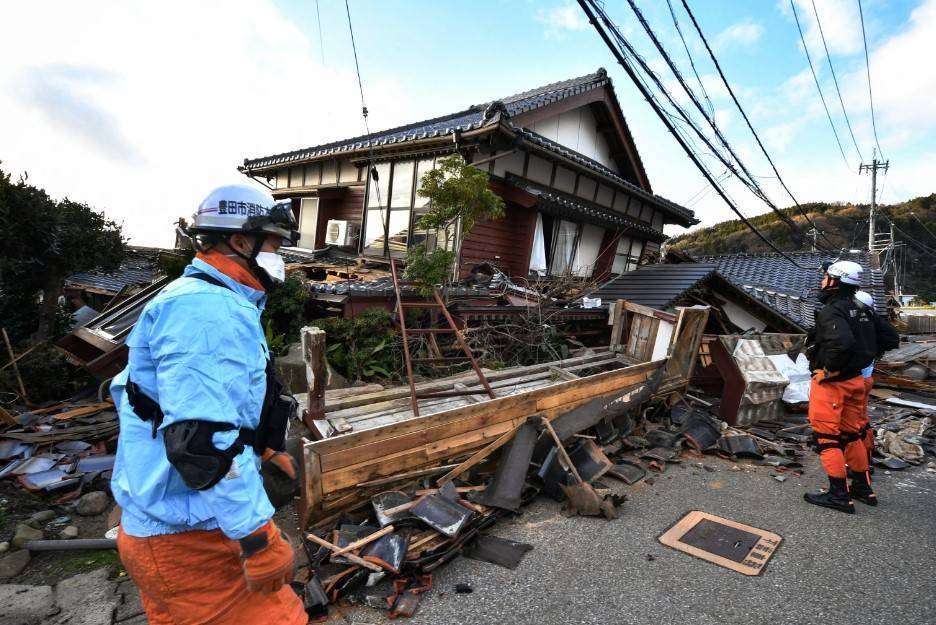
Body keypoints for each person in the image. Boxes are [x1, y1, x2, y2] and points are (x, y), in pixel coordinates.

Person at [110, 185, 307, 625]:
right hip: (190, 540)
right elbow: (204, 442)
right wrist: (258, 537)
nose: (281, 256)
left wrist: (265, 448)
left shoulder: (206, 300)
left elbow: (206, 407)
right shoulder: (206, 311)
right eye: (274, 243)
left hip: (168, 529)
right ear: (241, 242)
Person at [803, 260, 880, 514]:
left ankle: (839, 495)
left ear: (835, 280)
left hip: (833, 384)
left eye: (826, 276)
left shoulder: (832, 310)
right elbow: (887, 337)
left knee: (827, 437)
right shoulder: (861, 308)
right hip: (857, 380)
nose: (822, 281)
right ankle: (862, 487)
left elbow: (842, 342)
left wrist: (829, 370)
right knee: (852, 434)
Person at [853, 289, 899, 481]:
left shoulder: (858, 326)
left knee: (851, 426)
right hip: (867, 379)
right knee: (862, 421)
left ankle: (858, 465)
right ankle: (867, 458)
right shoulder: (875, 324)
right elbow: (891, 340)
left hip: (855, 380)